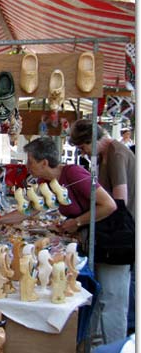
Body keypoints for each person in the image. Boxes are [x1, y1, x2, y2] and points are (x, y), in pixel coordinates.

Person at [69, 119, 135, 344]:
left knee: (113, 300)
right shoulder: (107, 155)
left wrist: (83, 220)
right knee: (106, 296)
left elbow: (119, 201)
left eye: (83, 147)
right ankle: (100, 345)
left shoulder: (115, 153)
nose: (84, 153)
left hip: (120, 238)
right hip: (114, 236)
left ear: (92, 140)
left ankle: (114, 347)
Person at [0, 136, 116, 234]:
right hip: (86, 237)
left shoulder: (73, 173)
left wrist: (77, 222)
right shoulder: (45, 182)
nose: (26, 166)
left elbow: (109, 205)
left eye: (30, 161)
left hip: (107, 237)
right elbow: (28, 210)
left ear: (44, 163)